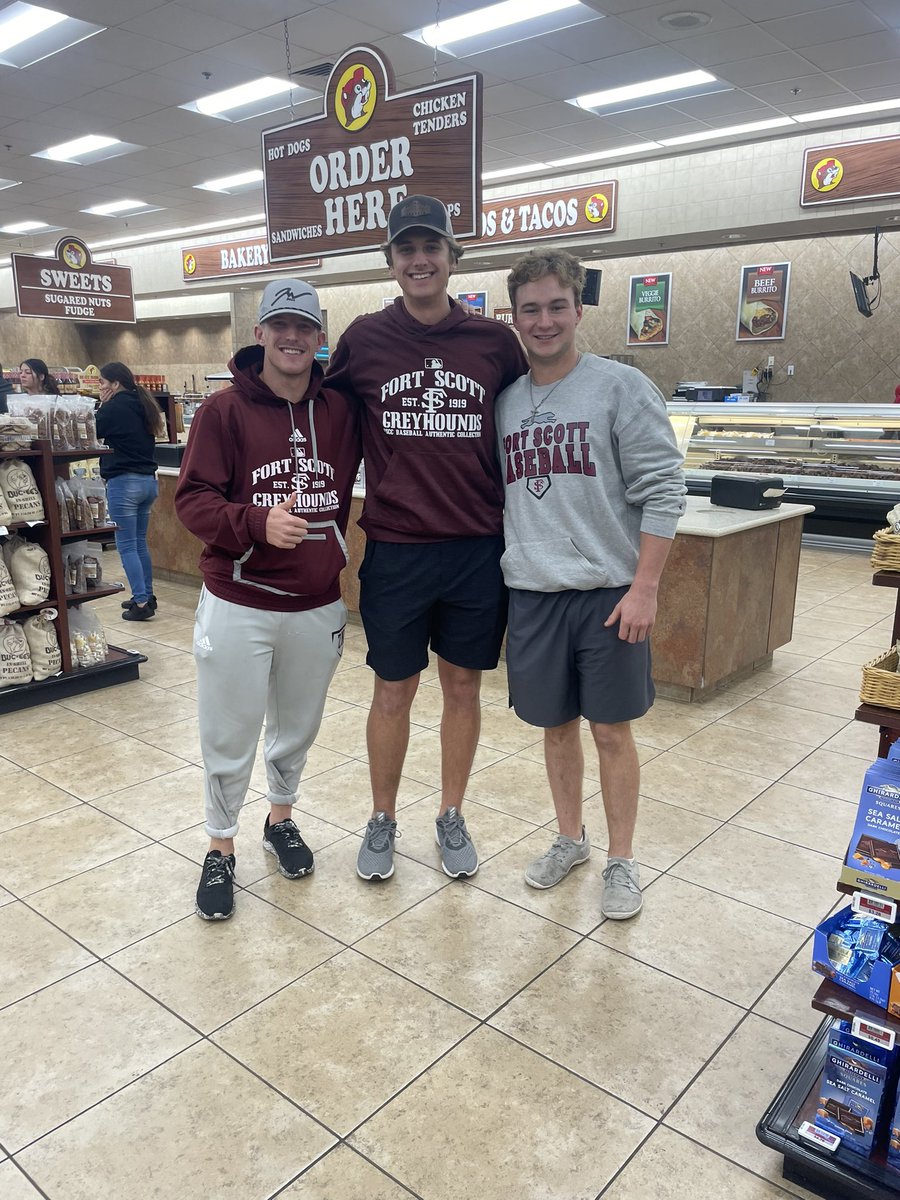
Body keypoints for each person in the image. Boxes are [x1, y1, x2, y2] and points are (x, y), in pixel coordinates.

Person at [327, 194, 527, 883]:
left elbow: (529, 423)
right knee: (392, 690)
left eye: (431, 248)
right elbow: (326, 418)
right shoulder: (363, 339)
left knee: (463, 687)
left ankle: (451, 813)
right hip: (397, 548)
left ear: (452, 259)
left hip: (477, 548)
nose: (420, 260)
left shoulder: (495, 343)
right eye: (407, 250)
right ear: (391, 261)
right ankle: (382, 818)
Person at [495, 248, 686, 920]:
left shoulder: (619, 387)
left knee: (611, 732)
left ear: (578, 309)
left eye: (556, 307)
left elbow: (664, 490)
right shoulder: (507, 403)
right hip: (535, 595)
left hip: (609, 594)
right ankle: (570, 838)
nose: (544, 321)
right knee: (554, 728)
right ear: (513, 317)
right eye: (530, 309)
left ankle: (622, 861)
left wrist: (646, 588)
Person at [175, 280, 360, 921]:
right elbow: (193, 500)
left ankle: (280, 820)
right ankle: (220, 847)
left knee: (297, 729)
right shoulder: (223, 412)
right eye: (279, 324)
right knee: (229, 733)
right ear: (259, 334)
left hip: (315, 604)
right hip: (240, 602)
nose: (291, 336)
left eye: (304, 327)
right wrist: (255, 523)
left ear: (319, 337)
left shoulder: (340, 409)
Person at [95, 362, 163, 622]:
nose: (100, 387)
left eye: (102, 382)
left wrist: (102, 405)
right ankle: (146, 593)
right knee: (139, 543)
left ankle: (142, 602)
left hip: (123, 483)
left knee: (126, 546)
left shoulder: (113, 407)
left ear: (115, 384)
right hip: (148, 482)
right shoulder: (144, 403)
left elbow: (94, 430)